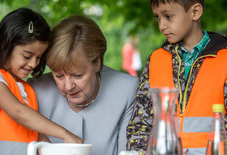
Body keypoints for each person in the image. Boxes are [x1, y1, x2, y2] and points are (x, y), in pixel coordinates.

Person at [0, 8, 82, 155]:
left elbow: (37, 135)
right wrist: (65, 133)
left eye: (38, 57)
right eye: (27, 56)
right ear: (6, 46)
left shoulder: (25, 89)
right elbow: (18, 112)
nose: (33, 64)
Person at [126, 0, 227, 154]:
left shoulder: (225, 58)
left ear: (195, 12)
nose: (162, 26)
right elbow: (141, 125)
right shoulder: (156, 60)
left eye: (168, 16)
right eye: (158, 18)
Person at [28, 15, 139, 155]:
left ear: (98, 63)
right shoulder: (35, 90)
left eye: (77, 75)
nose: (68, 86)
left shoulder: (127, 90)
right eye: (59, 75)